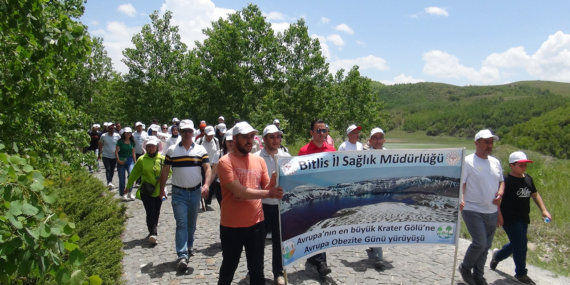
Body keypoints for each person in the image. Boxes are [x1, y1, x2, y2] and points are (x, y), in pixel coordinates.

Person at [217, 122, 283, 285]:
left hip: (256, 225)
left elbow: (266, 185)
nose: (249, 140)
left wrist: (274, 181)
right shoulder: (225, 162)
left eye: (251, 136)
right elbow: (239, 191)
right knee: (228, 269)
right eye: (244, 137)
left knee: (257, 272)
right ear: (234, 138)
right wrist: (268, 192)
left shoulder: (258, 161)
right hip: (231, 226)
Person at [489, 151, 551, 285]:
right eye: (521, 165)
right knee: (521, 244)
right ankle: (521, 273)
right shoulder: (505, 181)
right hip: (509, 218)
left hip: (524, 217)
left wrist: (544, 210)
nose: (524, 168)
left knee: (517, 243)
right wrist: (498, 215)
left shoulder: (527, 178)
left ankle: (498, 255)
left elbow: (535, 195)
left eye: (525, 165)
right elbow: (497, 199)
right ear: (512, 165)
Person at [159, 119, 211, 270]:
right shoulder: (172, 150)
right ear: (179, 132)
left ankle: (189, 246)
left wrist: (206, 184)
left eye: (189, 131)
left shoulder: (200, 150)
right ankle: (182, 255)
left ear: (193, 132)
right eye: (184, 131)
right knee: (181, 223)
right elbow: (165, 170)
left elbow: (208, 168)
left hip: (195, 192)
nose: (187, 133)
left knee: (191, 223)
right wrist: (162, 188)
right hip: (178, 192)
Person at [458, 129, 504, 285]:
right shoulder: (468, 161)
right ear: (476, 143)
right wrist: (462, 199)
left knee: (486, 246)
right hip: (472, 209)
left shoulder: (496, 162)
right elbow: (461, 184)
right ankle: (465, 267)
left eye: (491, 142)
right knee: (480, 243)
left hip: (491, 210)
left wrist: (501, 190)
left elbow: (501, 180)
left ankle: (479, 275)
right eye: (486, 142)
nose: (490, 145)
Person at [297, 118, 335, 278]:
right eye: (318, 130)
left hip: (326, 196)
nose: (321, 133)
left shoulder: (332, 151)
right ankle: (319, 262)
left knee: (322, 227)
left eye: (324, 130)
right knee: (313, 227)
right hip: (309, 196)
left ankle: (317, 259)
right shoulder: (304, 151)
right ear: (311, 132)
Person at [254, 125, 290, 285]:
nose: (276, 140)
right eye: (272, 137)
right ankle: (256, 272)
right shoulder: (255, 157)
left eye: (278, 137)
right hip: (261, 205)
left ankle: (278, 273)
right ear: (264, 139)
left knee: (279, 241)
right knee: (258, 242)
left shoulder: (286, 156)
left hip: (280, 205)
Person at [125, 136, 169, 245]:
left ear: (157, 147)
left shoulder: (162, 159)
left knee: (156, 211)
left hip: (159, 191)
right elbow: (134, 173)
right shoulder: (142, 159)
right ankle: (153, 232)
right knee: (150, 211)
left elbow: (169, 172)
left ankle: (153, 229)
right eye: (148, 146)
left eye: (152, 146)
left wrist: (162, 179)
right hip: (146, 191)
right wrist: (128, 186)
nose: (150, 148)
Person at [363, 127, 387, 270]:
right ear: (370, 140)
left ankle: (378, 255)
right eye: (375, 138)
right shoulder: (364, 155)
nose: (377, 140)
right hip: (369, 194)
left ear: (384, 140)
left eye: (380, 138)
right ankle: (375, 248)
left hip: (384, 194)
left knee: (380, 222)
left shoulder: (391, 155)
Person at [207, 130, 234, 207]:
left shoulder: (241, 155)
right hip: (221, 186)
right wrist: (206, 185)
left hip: (236, 187)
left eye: (233, 141)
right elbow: (213, 172)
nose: (231, 143)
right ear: (225, 141)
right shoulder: (219, 154)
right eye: (229, 141)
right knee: (224, 210)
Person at [196, 126, 219, 208]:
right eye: (208, 135)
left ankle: (208, 200)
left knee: (213, 184)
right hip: (203, 165)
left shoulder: (216, 141)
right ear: (204, 134)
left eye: (211, 135)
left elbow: (218, 152)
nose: (210, 137)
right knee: (204, 182)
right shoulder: (199, 141)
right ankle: (204, 200)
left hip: (213, 165)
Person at [115, 127, 137, 201]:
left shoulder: (132, 142)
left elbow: (133, 153)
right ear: (124, 133)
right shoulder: (120, 141)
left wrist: (135, 161)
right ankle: (123, 194)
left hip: (130, 160)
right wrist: (118, 160)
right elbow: (116, 152)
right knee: (122, 178)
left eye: (130, 133)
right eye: (127, 133)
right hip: (121, 159)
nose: (128, 134)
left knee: (131, 176)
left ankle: (129, 192)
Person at [99, 123, 121, 189]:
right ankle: (109, 182)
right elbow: (100, 145)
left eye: (113, 128)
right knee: (108, 168)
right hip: (106, 155)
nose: (112, 130)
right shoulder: (103, 136)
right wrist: (99, 154)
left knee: (112, 169)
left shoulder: (117, 136)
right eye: (111, 128)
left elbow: (120, 144)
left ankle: (110, 181)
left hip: (114, 156)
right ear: (108, 128)